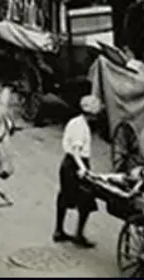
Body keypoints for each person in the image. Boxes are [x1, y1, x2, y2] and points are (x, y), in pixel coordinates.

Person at [53, 94, 102, 247]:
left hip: (69, 163)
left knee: (65, 196)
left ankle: (59, 230)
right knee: (85, 199)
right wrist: (82, 168)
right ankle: (78, 235)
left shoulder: (76, 122)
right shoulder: (81, 126)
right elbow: (76, 150)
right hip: (75, 164)